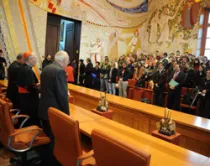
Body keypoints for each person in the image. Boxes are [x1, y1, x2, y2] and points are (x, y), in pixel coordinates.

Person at [38, 51, 69, 166]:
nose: (68, 63)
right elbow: (62, 95)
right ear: (63, 61)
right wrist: (66, 115)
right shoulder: (60, 71)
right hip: (54, 111)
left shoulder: (46, 68)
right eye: (68, 60)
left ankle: (45, 160)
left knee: (47, 136)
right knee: (54, 139)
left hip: (43, 108)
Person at [16, 52, 40, 126]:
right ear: (29, 59)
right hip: (29, 99)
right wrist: (39, 88)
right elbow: (30, 86)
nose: (36, 60)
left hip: (23, 97)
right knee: (31, 117)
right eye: (34, 58)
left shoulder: (22, 67)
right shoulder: (28, 70)